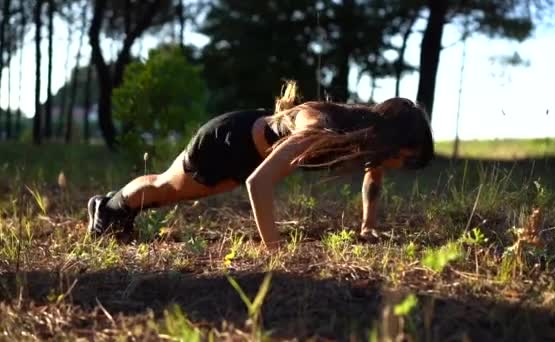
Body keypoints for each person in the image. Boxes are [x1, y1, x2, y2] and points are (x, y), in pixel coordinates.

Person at [87, 82, 434, 249]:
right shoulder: (322, 128)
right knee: (168, 189)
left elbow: (373, 176)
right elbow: (259, 183)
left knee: (170, 190)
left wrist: (367, 226)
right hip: (227, 141)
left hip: (249, 146)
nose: (403, 164)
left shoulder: (362, 139)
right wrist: (274, 252)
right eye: (407, 155)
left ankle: (115, 207)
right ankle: (108, 209)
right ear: (392, 139)